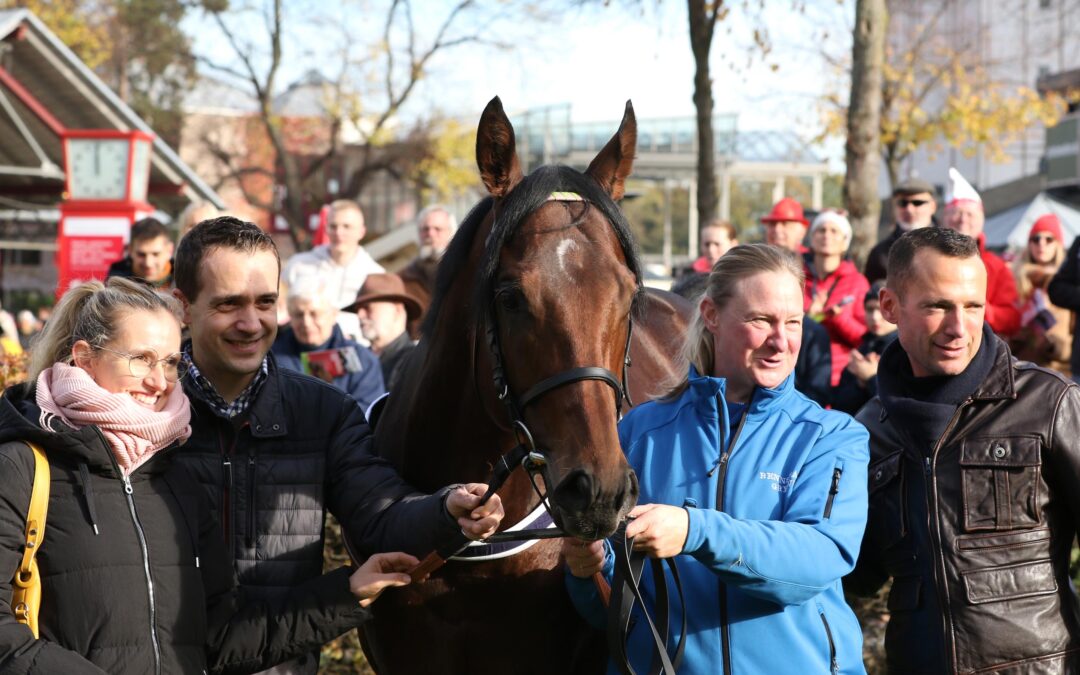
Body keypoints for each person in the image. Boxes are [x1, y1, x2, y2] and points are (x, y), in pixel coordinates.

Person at [0, 277, 419, 674]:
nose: (158, 381)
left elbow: (219, 637)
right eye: (140, 359)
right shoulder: (21, 466)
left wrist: (347, 593)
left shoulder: (173, 476)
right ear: (84, 358)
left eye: (168, 362)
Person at [169, 216, 503, 675]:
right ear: (183, 307)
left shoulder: (324, 412)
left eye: (265, 302)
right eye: (229, 304)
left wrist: (446, 511)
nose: (251, 323)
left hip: (281, 664)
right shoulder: (140, 413)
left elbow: (380, 514)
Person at [563, 244, 870, 675]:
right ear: (710, 315)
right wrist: (587, 570)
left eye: (794, 323)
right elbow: (614, 614)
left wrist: (695, 531)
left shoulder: (832, 436)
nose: (780, 341)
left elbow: (817, 560)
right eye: (761, 320)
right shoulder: (639, 431)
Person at [847, 226, 1080, 673]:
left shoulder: (1048, 403)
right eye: (938, 306)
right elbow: (860, 575)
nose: (959, 328)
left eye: (973, 307)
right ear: (890, 307)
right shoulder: (870, 431)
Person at [271, 280, 385, 410]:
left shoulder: (362, 359)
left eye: (314, 314)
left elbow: (366, 412)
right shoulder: (272, 360)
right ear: (290, 316)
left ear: (333, 314)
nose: (306, 322)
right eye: (299, 315)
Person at [762, 198, 832, 406]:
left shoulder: (817, 266)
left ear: (803, 231)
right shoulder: (751, 263)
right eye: (773, 224)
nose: (778, 230)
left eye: (785, 224)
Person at [281, 200, 384, 341]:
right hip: (302, 346)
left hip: (355, 349)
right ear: (326, 228)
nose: (339, 232)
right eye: (333, 226)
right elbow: (281, 307)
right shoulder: (299, 265)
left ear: (361, 232)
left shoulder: (374, 274)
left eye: (346, 226)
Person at [940, 167, 1021, 336]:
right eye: (956, 213)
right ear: (944, 218)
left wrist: (978, 307)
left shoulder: (996, 266)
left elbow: (1013, 319)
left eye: (970, 214)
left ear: (981, 221)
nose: (962, 220)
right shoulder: (926, 261)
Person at [804, 210, 869, 387]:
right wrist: (806, 318)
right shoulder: (798, 278)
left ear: (845, 243)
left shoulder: (857, 282)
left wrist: (839, 319)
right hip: (801, 374)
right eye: (821, 230)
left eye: (834, 231)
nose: (827, 235)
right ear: (811, 238)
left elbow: (865, 338)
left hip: (840, 378)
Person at [1011, 214, 1072, 373]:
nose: (1041, 244)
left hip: (1057, 374)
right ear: (1029, 244)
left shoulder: (1067, 286)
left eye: (1049, 239)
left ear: (1058, 244)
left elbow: (1074, 340)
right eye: (1035, 239)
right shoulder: (1013, 280)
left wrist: (1053, 345)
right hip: (1018, 371)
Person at [343, 273, 421, 392]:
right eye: (358, 310)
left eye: (368, 307)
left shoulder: (416, 361)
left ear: (397, 310)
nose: (360, 315)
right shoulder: (358, 358)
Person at [830, 282, 897, 415]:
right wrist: (860, 384)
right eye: (870, 309)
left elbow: (896, 409)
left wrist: (871, 377)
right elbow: (838, 405)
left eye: (882, 309)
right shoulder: (863, 350)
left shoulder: (905, 351)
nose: (875, 317)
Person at [864, 177, 938, 285]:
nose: (909, 209)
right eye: (903, 203)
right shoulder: (880, 253)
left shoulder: (949, 245)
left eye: (917, 203)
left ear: (933, 206)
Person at [399, 204, 457, 331]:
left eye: (438, 229)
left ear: (451, 234)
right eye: (425, 229)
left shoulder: (464, 274)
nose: (430, 234)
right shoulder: (404, 278)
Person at [107, 217, 176, 289]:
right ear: (130, 250)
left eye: (156, 254)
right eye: (141, 255)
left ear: (169, 250)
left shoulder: (183, 281)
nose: (148, 263)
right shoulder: (114, 287)